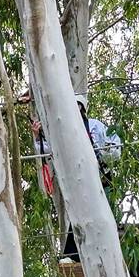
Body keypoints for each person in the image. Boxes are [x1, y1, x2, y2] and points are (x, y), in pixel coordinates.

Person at [31, 93, 122, 260]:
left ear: (82, 109)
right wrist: (37, 137)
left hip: (102, 178)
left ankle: (110, 252)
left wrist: (104, 152)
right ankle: (73, 255)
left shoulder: (95, 126)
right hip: (80, 182)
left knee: (106, 216)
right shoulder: (63, 132)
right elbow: (48, 150)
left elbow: (116, 149)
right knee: (79, 219)